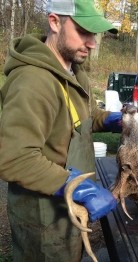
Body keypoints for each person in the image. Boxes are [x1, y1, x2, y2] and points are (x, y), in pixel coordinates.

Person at [0, 0, 123, 261]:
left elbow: (80, 119)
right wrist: (76, 186)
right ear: (55, 22)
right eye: (84, 32)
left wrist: (111, 120)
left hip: (70, 212)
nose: (92, 43)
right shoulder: (34, 81)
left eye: (95, 34)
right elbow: (13, 157)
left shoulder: (76, 73)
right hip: (45, 220)